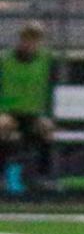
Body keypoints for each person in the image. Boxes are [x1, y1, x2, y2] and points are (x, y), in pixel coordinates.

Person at [0, 22, 56, 193]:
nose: (30, 43)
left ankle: (41, 176)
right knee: (2, 128)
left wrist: (46, 115)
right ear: (21, 39)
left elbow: (49, 90)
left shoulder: (45, 60)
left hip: (33, 113)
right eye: (27, 38)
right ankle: (2, 177)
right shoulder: (5, 60)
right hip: (9, 112)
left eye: (35, 39)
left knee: (46, 130)